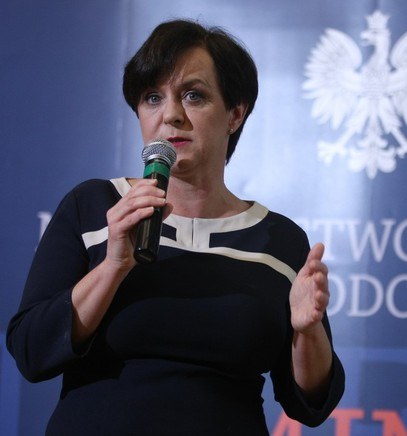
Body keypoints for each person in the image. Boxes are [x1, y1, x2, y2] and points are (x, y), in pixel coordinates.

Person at [6, 19, 344, 435]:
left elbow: (311, 403)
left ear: (235, 114)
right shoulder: (93, 208)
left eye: (193, 96)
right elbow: (32, 351)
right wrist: (113, 266)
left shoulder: (278, 241)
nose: (170, 115)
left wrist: (307, 331)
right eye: (153, 97)